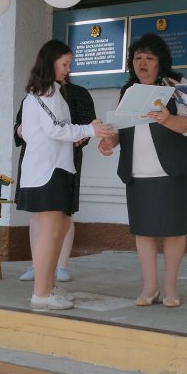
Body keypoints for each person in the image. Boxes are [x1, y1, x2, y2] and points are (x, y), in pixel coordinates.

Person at [98, 32, 187, 308]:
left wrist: (168, 119)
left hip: (173, 172)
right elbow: (118, 130)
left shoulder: (175, 85)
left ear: (160, 62)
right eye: (137, 58)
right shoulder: (126, 92)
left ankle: (170, 288)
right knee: (143, 231)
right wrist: (109, 142)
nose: (142, 63)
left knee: (174, 231)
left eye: (149, 58)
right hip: (138, 173)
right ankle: (150, 287)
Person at [16, 39, 114, 311]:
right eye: (65, 64)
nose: (68, 69)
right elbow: (55, 129)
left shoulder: (51, 92)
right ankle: (41, 294)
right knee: (50, 233)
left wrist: (88, 130)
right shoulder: (45, 92)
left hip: (54, 168)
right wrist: (90, 130)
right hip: (48, 171)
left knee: (57, 229)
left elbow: (53, 129)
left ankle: (48, 287)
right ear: (50, 63)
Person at [15, 78, 96, 284]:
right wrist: (19, 130)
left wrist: (82, 136)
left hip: (65, 159)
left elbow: (89, 124)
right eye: (62, 64)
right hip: (36, 160)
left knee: (64, 212)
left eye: (67, 64)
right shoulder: (34, 93)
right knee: (36, 213)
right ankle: (37, 264)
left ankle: (61, 265)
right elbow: (19, 125)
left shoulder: (78, 93)